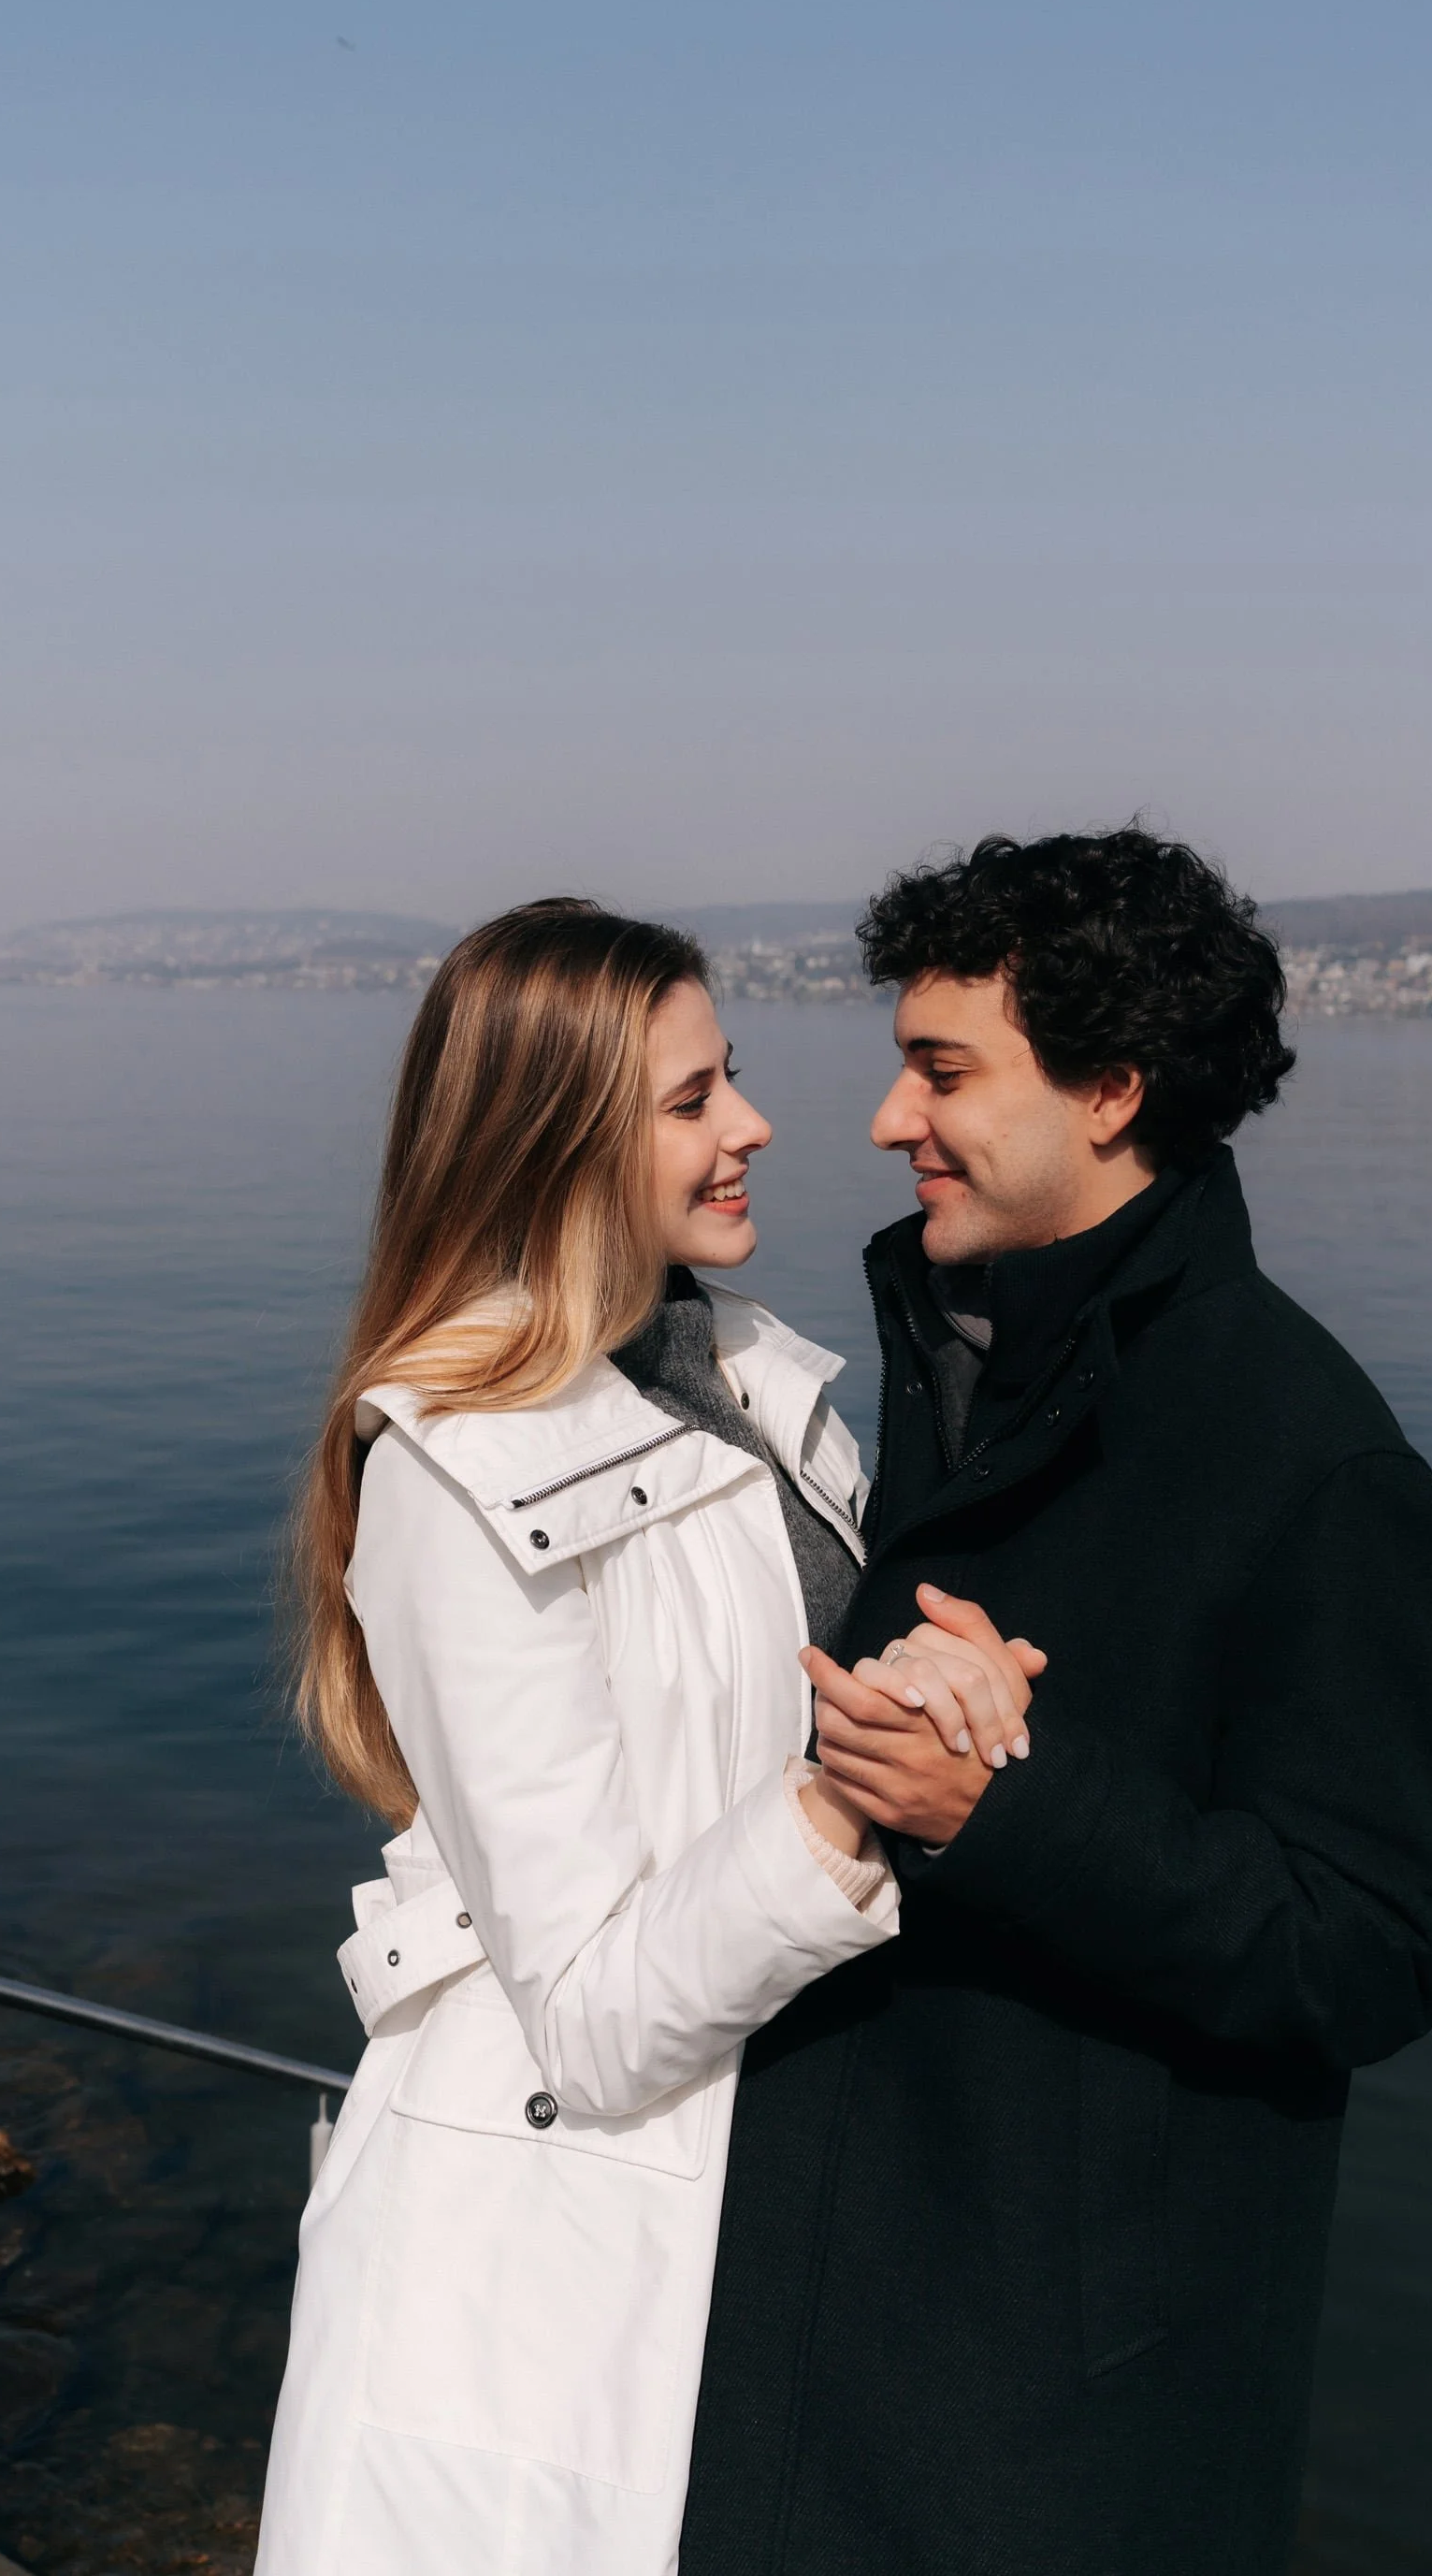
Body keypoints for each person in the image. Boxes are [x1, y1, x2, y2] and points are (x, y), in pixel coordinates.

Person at [679, 829, 1432, 2576]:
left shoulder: (1316, 1465)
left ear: (1111, 1090)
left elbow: (1365, 1952)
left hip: (1049, 2427)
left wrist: (1004, 1812)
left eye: (942, 1070)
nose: (889, 1119)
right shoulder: (956, 1364)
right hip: (813, 2317)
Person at [255, 898, 972, 2576]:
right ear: (555, 1138)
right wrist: (846, 1807)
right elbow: (583, 2017)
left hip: (753, 2201)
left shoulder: (746, 1380)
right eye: (691, 1099)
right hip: (540, 2269)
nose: (753, 1125)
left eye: (733, 1077)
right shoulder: (451, 1472)